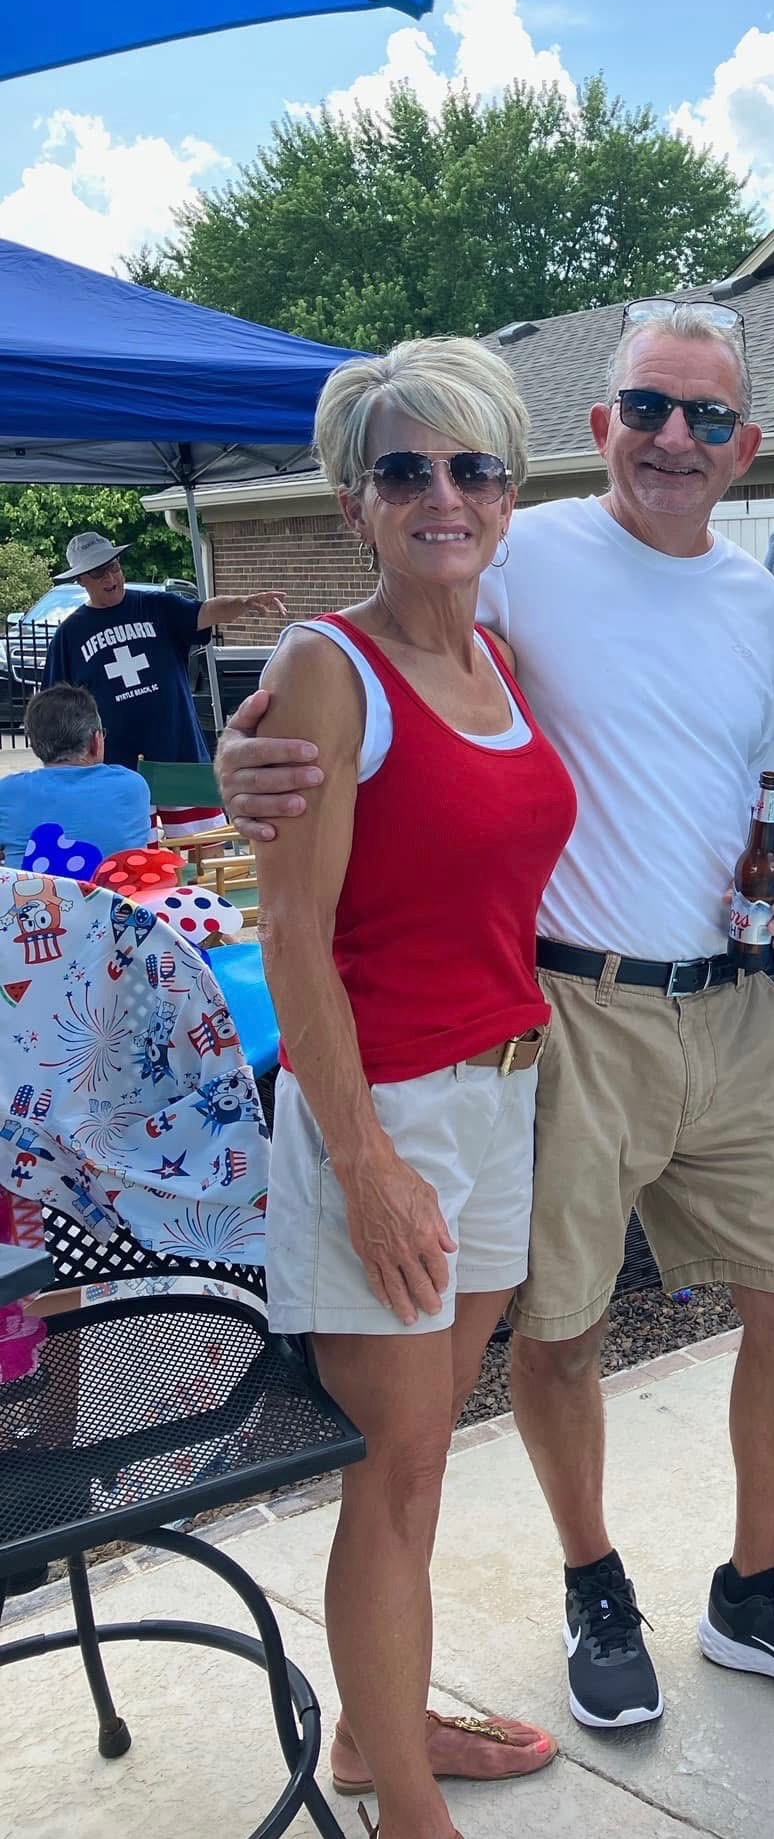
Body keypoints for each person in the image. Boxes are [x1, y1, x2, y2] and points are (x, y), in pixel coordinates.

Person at [216, 300, 774, 1734]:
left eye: (708, 417)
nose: (674, 437)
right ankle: (580, 1591)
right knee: (540, 1347)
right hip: (554, 1017)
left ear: (744, 445)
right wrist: (246, 753)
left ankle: (750, 1584)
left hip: (701, 1018)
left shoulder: (745, 598)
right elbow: (349, 683)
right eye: (647, 406)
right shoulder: (508, 558)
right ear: (598, 426)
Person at [249, 337, 575, 1839]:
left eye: (472, 466)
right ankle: (405, 1808)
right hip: (384, 1110)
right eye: (404, 470)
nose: (443, 493)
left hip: (499, 1094)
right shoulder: (331, 667)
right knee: (393, 1468)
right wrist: (367, 1157)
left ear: (507, 493)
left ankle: (380, 1729)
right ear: (353, 503)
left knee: (423, 1457)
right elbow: (291, 938)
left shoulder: (498, 652)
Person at [41, 531, 285, 840]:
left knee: (203, 845)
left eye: (114, 566)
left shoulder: (157, 606)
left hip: (179, 752)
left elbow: (203, 612)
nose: (111, 577)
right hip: (118, 770)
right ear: (80, 580)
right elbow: (56, 706)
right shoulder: (69, 635)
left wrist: (243, 603)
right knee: (136, 854)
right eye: (99, 572)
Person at [0, 683, 152, 867]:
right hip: (117, 886)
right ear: (96, 741)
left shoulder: (8, 792)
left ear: (34, 745)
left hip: (33, 887)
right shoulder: (133, 786)